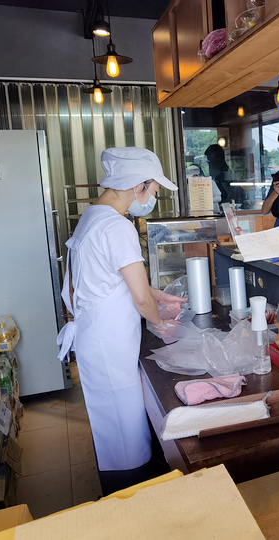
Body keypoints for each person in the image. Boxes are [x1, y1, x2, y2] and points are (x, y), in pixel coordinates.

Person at [56, 147, 187, 494]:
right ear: (138, 185)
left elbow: (113, 279)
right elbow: (140, 297)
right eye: (155, 189)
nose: (154, 197)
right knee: (123, 430)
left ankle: (123, 489)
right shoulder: (117, 227)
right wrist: (161, 323)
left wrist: (162, 297)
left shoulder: (93, 216)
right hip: (108, 344)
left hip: (95, 337)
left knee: (114, 426)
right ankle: (128, 499)